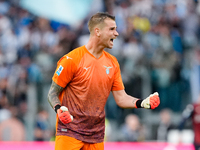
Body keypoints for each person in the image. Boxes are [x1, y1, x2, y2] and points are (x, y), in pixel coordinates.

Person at [47, 12, 160, 150]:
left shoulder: (112, 63)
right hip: (70, 133)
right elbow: (52, 92)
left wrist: (143, 102)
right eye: (112, 29)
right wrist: (59, 109)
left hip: (96, 136)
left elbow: (121, 98)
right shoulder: (72, 60)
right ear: (97, 31)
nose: (117, 33)